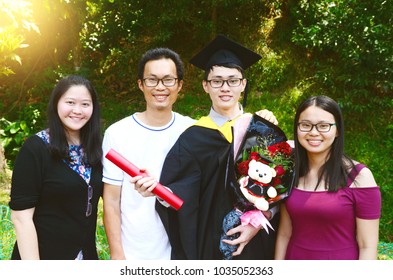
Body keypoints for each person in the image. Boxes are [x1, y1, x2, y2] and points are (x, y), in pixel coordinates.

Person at [146, 34, 280, 260]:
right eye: (217, 81)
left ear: (243, 85)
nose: (225, 88)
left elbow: (280, 189)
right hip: (209, 244)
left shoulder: (260, 131)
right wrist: (162, 193)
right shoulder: (192, 137)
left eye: (233, 80)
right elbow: (179, 193)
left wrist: (260, 219)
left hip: (256, 242)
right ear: (206, 86)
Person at [274, 95, 381, 260]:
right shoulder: (290, 171)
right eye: (306, 125)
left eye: (323, 126)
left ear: (337, 130)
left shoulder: (359, 176)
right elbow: (284, 234)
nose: (314, 132)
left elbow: (367, 246)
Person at [9, 75, 103, 260]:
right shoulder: (35, 149)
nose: (77, 110)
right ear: (56, 104)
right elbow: (21, 218)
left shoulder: (96, 150)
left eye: (85, 104)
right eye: (70, 102)